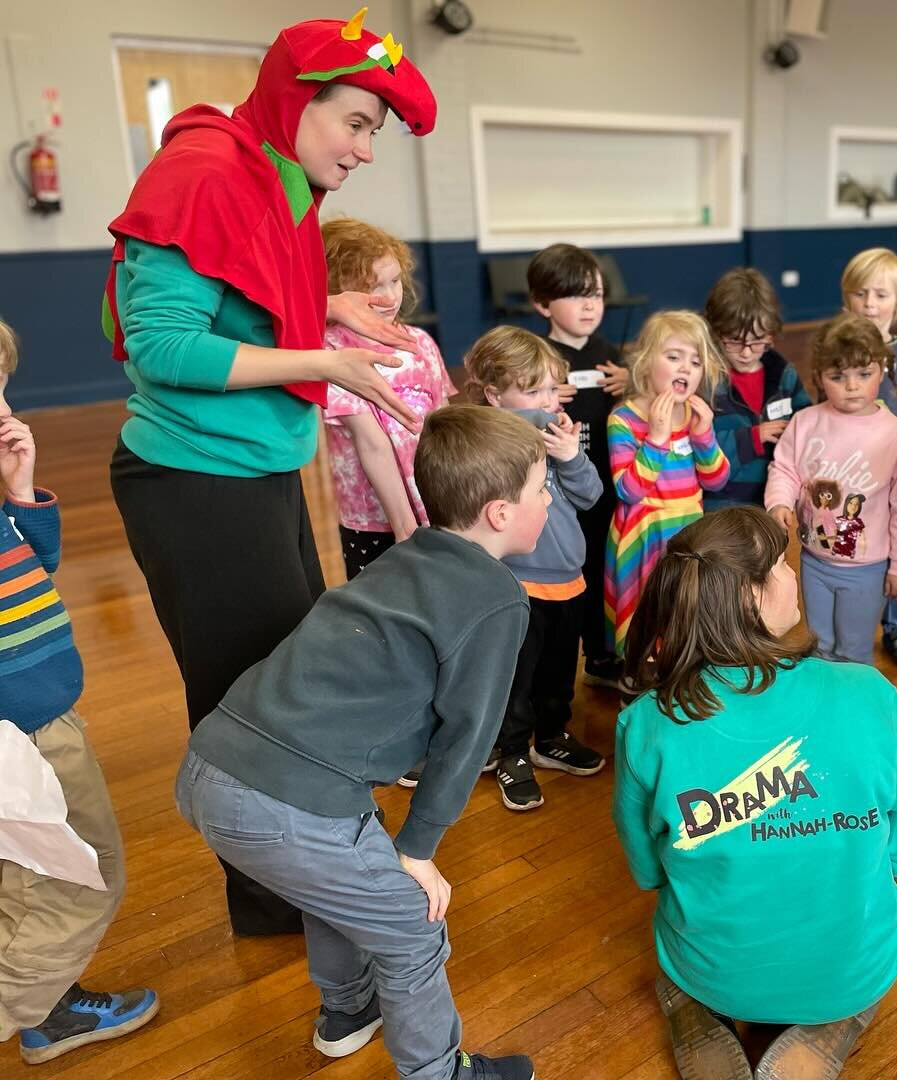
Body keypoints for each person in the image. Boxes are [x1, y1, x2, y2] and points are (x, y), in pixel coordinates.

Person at [103, 11, 436, 937]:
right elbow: (163, 343)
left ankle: (290, 879)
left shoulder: (271, 172)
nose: (367, 149)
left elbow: (233, 286)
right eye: (357, 123)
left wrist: (324, 308)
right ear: (298, 101)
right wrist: (321, 363)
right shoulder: (204, 170)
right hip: (194, 483)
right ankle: (272, 897)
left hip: (255, 471)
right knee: (249, 702)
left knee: (286, 681)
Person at [176, 405, 547, 1080]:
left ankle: (349, 1011)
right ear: (499, 512)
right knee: (413, 931)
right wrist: (420, 850)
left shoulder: (410, 553)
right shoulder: (496, 597)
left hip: (210, 762)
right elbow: (470, 738)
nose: (548, 500)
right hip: (285, 802)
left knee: (337, 883)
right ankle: (441, 1073)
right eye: (542, 488)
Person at [612, 507, 897, 1080]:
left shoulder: (646, 724)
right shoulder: (871, 692)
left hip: (715, 965)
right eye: (782, 565)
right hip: (850, 962)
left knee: (680, 965)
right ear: (751, 598)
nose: (794, 574)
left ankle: (698, 1010)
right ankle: (831, 1023)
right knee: (865, 954)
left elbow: (647, 872)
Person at [0, 320, 159, 1065]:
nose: (4, 410)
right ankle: (21, 1004)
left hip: (34, 720)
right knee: (82, 876)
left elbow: (35, 571)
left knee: (25, 885)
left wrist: (20, 494)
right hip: (23, 734)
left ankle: (50, 1010)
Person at [466, 326, 605, 812]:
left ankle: (551, 736)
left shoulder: (558, 438)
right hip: (518, 583)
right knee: (515, 677)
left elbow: (590, 496)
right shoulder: (489, 444)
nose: (546, 401)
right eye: (531, 390)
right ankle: (510, 752)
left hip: (569, 578)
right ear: (494, 396)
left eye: (550, 388)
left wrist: (570, 456)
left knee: (560, 672)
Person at [764, 313, 897, 666]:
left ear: (881, 370)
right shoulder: (806, 422)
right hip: (813, 560)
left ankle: (852, 713)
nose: (851, 386)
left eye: (863, 374)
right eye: (838, 377)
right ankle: (824, 709)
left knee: (853, 651)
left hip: (867, 568)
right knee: (818, 646)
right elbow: (785, 467)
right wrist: (778, 502)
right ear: (819, 377)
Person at [321, 216, 456, 579]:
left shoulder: (420, 342)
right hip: (375, 520)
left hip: (437, 505)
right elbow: (372, 443)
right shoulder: (329, 350)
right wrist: (405, 528)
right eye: (373, 287)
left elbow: (442, 424)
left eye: (394, 280)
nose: (390, 296)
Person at [527, 243, 629, 690]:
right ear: (542, 303)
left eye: (598, 294)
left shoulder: (614, 356)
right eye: (576, 294)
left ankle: (603, 655)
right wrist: (539, 394)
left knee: (605, 573)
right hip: (556, 496)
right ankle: (552, 674)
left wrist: (634, 382)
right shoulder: (535, 360)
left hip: (608, 487)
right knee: (572, 577)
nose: (590, 304)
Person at [605, 311, 730, 658]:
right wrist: (657, 439)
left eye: (695, 361)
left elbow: (717, 479)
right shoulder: (624, 418)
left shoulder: (694, 415)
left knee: (682, 617)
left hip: (688, 531)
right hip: (645, 536)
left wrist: (704, 436)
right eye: (674, 357)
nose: (685, 368)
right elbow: (628, 490)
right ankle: (637, 684)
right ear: (645, 364)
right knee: (646, 620)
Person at [841, 248, 897, 669]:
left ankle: (895, 626)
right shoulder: (838, 349)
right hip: (851, 473)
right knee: (856, 540)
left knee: (895, 546)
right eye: (861, 294)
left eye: (881, 295)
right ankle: (852, 624)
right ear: (846, 298)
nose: (870, 304)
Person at [704, 268, 810, 510]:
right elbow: (695, 452)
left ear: (771, 333)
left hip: (770, 507)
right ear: (715, 332)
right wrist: (752, 438)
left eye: (757, 341)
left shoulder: (784, 375)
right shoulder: (705, 381)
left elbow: (808, 428)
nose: (746, 351)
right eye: (734, 340)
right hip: (719, 512)